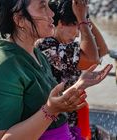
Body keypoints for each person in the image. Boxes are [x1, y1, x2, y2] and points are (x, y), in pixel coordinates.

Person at [0, 0, 112, 140]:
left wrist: (79, 85)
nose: (52, 13)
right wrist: (50, 110)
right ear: (20, 19)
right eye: (42, 7)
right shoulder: (1, 69)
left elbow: (44, 102)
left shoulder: (36, 55)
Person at [36, 0, 109, 139]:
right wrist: (82, 19)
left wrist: (84, 16)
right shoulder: (48, 47)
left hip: (69, 118)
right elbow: (92, 60)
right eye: (76, 26)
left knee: (102, 135)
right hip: (54, 124)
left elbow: (102, 51)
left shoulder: (65, 46)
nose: (78, 34)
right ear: (60, 23)